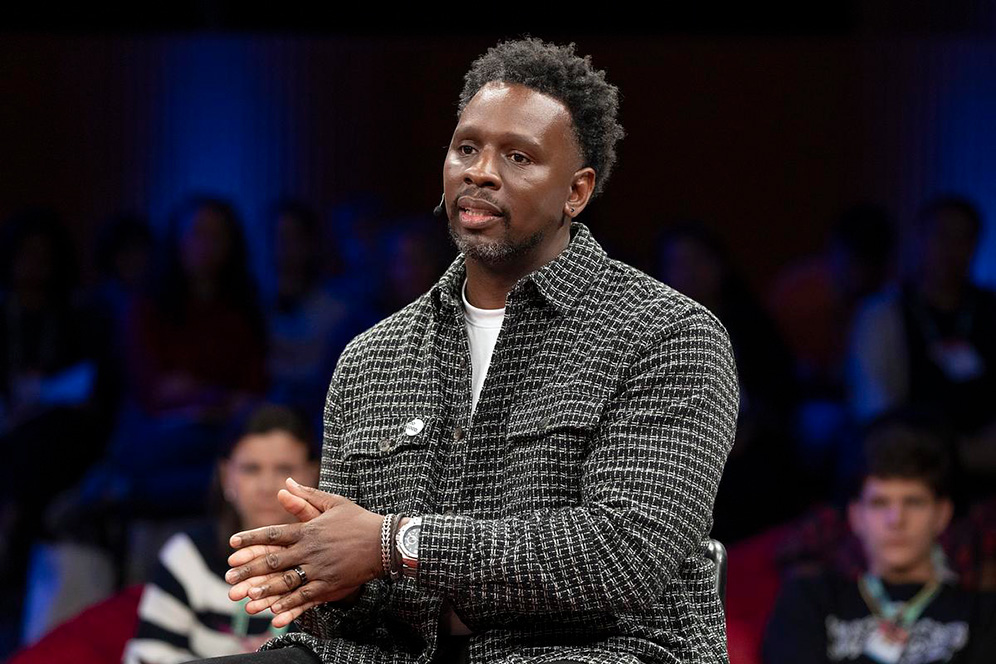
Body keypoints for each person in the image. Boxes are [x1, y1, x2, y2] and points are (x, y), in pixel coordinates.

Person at [212, 38, 739, 663]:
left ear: (577, 191)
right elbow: (356, 602)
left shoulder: (667, 335)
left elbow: (623, 556)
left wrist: (395, 545)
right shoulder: (372, 358)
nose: (480, 171)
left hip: (601, 651)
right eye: (467, 148)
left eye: (517, 157)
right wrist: (327, 575)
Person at [762, 418, 996, 664]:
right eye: (879, 503)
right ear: (856, 516)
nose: (896, 520)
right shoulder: (811, 600)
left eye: (914, 502)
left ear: (942, 514)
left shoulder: (982, 614)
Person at [123, 405, 319, 663]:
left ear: (313, 474)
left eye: (284, 469)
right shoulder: (189, 556)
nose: (266, 486)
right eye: (251, 469)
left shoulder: (331, 561)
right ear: (227, 476)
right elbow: (148, 657)